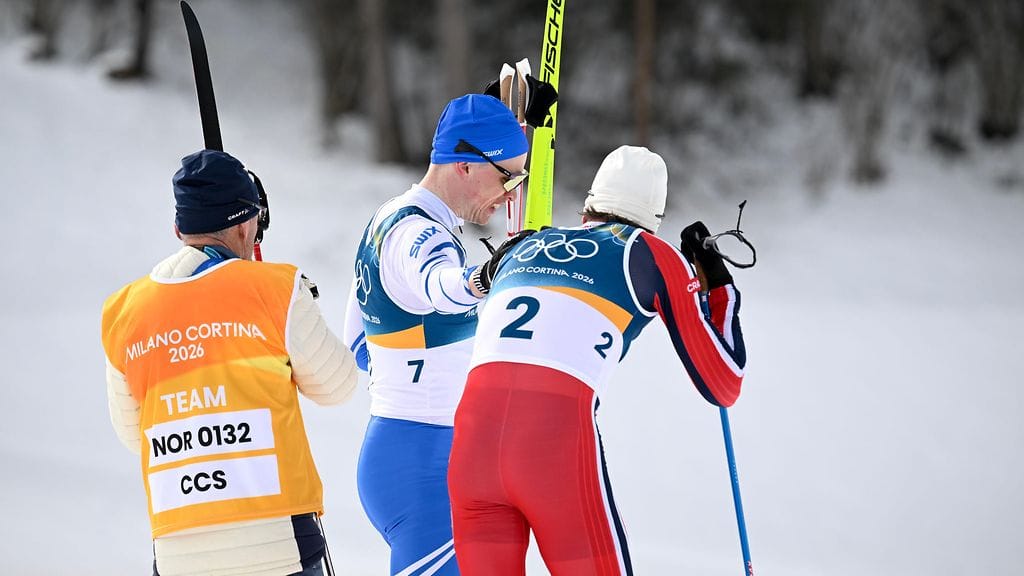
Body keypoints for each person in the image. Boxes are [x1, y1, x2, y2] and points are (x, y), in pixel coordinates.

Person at [447, 145, 749, 575]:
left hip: (471, 453)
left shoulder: (526, 245)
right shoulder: (650, 253)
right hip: (551, 454)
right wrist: (718, 287)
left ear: (589, 205)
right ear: (653, 219)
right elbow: (723, 382)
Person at [101, 149, 359, 576]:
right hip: (279, 543)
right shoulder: (274, 290)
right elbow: (339, 386)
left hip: (179, 550)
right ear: (246, 225)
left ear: (179, 227)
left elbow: (135, 434)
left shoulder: (123, 311)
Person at [342, 93, 534, 575]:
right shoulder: (416, 235)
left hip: (415, 453)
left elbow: (359, 346)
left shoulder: (390, 220)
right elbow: (440, 285)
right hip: (420, 464)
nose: (513, 195)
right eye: (509, 178)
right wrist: (482, 279)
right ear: (465, 166)